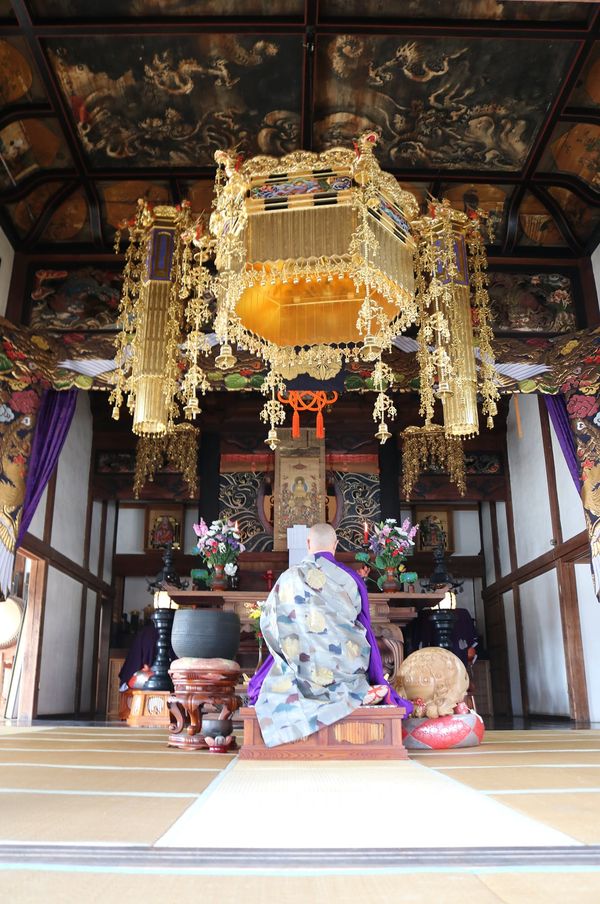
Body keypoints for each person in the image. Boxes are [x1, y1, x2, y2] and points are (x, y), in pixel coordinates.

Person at [248, 523, 412, 748]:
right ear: (335, 545)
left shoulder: (288, 578)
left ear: (308, 544)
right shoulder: (350, 578)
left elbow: (269, 624)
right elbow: (363, 625)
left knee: (276, 674)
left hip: (302, 665)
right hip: (343, 665)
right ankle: (360, 692)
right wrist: (375, 675)